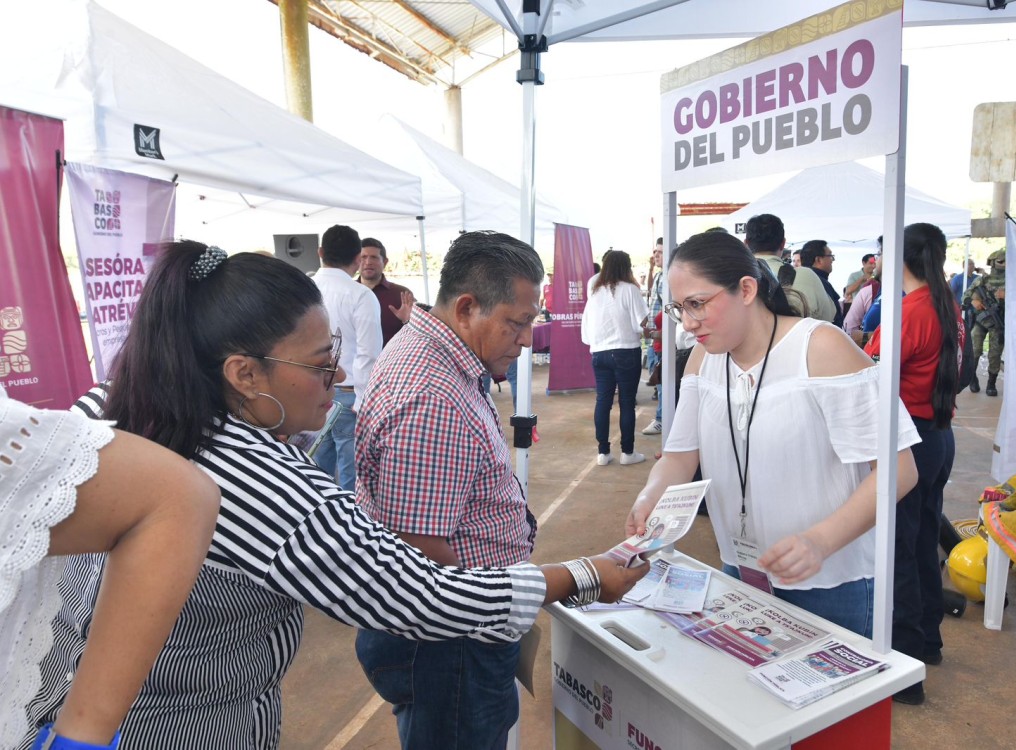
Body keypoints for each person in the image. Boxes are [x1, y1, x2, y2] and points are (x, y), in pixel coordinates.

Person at [21, 242, 647, 749]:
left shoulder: (112, 407)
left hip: (68, 705)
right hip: (183, 725)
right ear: (244, 373)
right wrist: (588, 573)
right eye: (322, 363)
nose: (340, 376)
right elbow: (422, 590)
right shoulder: (257, 481)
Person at [625, 231, 919, 639]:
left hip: (832, 579)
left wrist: (820, 541)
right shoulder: (702, 359)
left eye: (697, 304)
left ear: (746, 289)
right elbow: (679, 456)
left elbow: (898, 469)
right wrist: (649, 496)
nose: (689, 324)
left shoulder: (819, 348)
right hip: (742, 568)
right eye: (679, 309)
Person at [353, 230, 548, 750]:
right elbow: (423, 560)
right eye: (518, 322)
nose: (526, 340)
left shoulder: (436, 359)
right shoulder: (432, 398)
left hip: (457, 630)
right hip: (451, 640)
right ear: (467, 308)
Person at [1, 392, 218, 750]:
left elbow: (175, 496)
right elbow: (176, 496)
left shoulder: (98, 402)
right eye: (320, 365)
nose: (335, 378)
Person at [864, 223, 962, 706]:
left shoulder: (910, 310)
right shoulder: (943, 301)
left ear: (900, 256)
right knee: (922, 542)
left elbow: (872, 374)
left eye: (882, 252)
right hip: (938, 437)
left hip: (911, 440)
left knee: (897, 551)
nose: (876, 261)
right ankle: (927, 643)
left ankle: (905, 673)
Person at [312, 225, 382, 491]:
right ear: (357, 258)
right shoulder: (360, 294)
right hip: (350, 394)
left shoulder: (304, 287)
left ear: (320, 252)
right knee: (351, 477)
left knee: (315, 471)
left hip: (309, 389)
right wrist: (365, 400)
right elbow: (370, 355)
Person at [582, 249, 649, 466]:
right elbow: (643, 323)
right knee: (627, 403)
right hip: (626, 350)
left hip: (599, 353)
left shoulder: (594, 291)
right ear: (626, 267)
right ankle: (627, 453)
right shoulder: (630, 290)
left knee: (603, 401)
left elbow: (587, 327)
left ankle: (603, 452)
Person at [743, 214, 837, 323]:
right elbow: (828, 318)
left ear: (746, 244)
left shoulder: (732, 277)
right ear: (783, 244)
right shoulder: (806, 276)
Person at [357, 236, 415, 346]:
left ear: (385, 261)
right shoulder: (348, 293)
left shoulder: (402, 295)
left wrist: (407, 321)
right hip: (354, 362)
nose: (368, 262)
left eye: (374, 257)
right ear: (356, 260)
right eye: (363, 257)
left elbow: (420, 334)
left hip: (394, 360)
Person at [963, 250, 1005, 396]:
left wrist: (1007, 296)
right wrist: (973, 301)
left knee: (995, 354)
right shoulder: (983, 280)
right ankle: (972, 377)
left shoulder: (1013, 280)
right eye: (1001, 261)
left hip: (999, 323)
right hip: (982, 320)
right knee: (975, 350)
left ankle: (991, 383)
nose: (1004, 264)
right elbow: (966, 296)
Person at [644, 239, 665, 434]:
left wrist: (660, 335)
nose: (655, 255)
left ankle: (662, 418)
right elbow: (653, 296)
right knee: (658, 379)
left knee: (662, 381)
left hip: (661, 340)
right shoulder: (659, 275)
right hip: (654, 339)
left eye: (660, 252)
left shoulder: (668, 278)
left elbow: (669, 310)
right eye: (655, 251)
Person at [799, 240, 843, 327]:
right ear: (818, 260)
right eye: (830, 256)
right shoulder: (819, 282)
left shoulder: (799, 279)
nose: (832, 260)